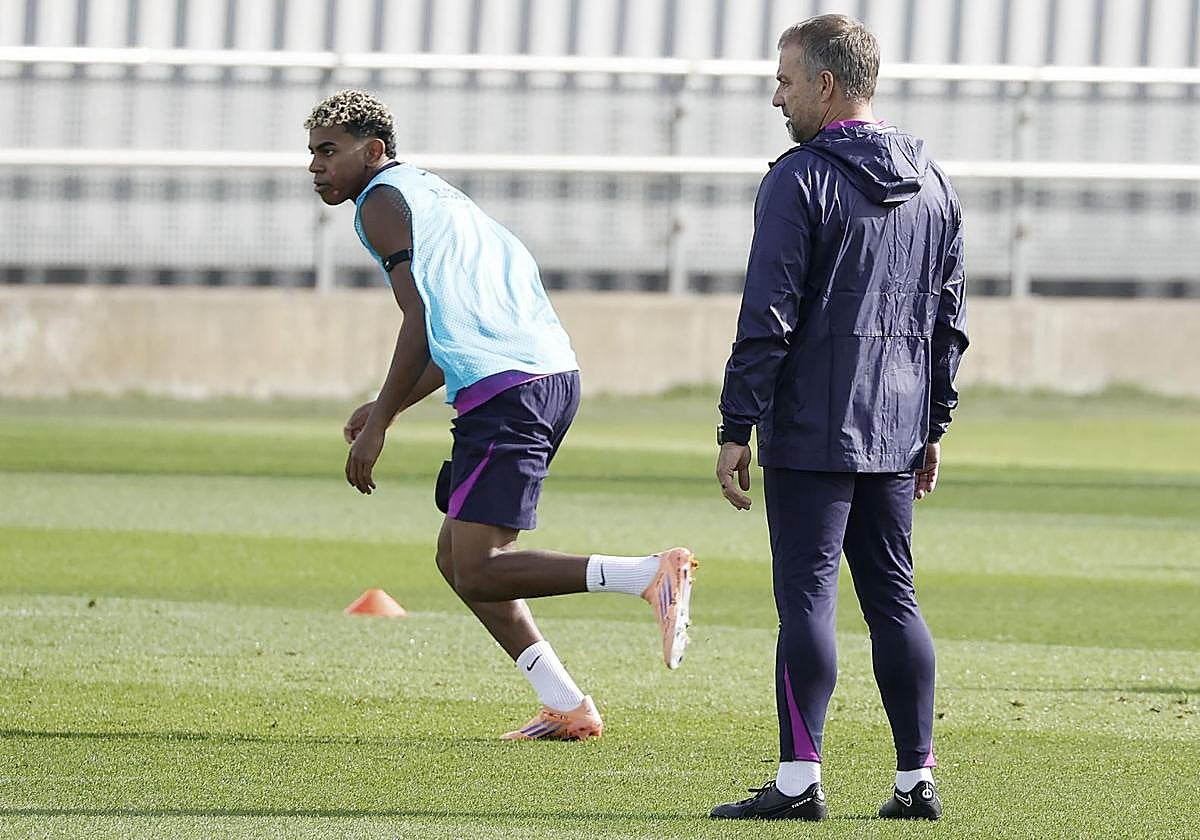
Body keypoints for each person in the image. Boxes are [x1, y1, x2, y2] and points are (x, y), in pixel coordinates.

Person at [304, 89, 697, 741]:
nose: (316, 166)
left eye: (328, 151)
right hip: (545, 375)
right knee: (456, 559)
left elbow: (419, 320)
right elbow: (452, 328)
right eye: (312, 153)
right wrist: (388, 403)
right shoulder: (433, 196)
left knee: (481, 566)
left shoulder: (379, 203)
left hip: (508, 390)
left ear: (373, 151)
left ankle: (646, 575)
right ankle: (566, 705)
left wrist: (379, 426)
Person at [709, 15, 968, 822]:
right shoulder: (934, 182)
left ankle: (798, 783)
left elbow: (768, 315)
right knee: (894, 599)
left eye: (785, 81)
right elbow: (948, 321)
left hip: (811, 428)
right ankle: (915, 780)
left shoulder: (798, 179)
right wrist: (933, 423)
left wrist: (735, 424)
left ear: (825, 85)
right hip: (894, 428)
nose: (775, 97)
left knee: (807, 601)